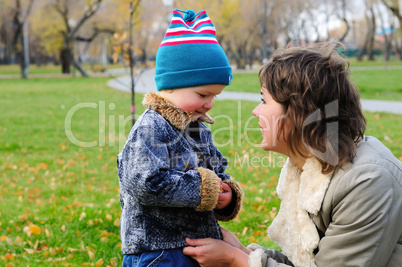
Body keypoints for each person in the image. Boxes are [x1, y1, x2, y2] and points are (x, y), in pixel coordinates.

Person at [182, 42, 402, 267]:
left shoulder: (367, 181)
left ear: (299, 111)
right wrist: (238, 250)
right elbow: (307, 261)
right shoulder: (311, 166)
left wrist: (235, 260)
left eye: (263, 100)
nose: (255, 111)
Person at [117, 8, 243, 267]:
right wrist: (203, 189)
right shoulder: (151, 128)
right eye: (202, 94)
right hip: (157, 250)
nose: (209, 104)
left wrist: (225, 193)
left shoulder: (198, 128)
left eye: (214, 96)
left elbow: (216, 172)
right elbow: (144, 183)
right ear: (170, 85)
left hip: (192, 246)